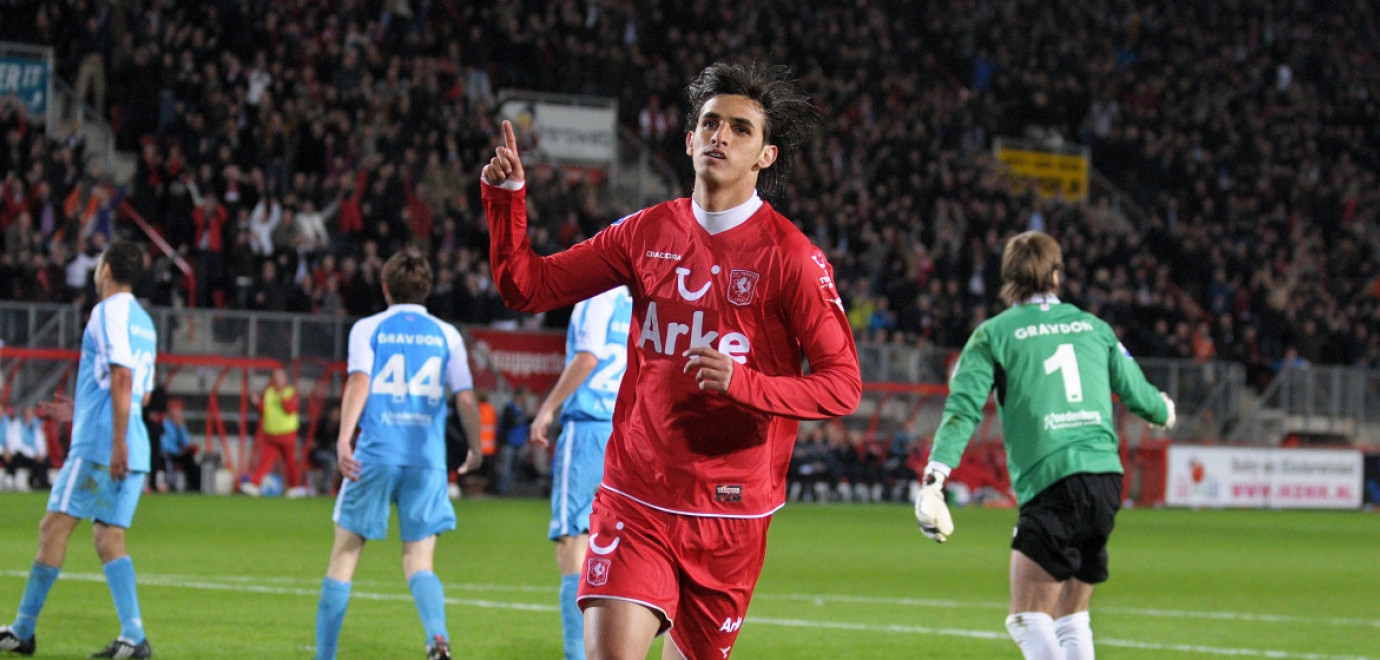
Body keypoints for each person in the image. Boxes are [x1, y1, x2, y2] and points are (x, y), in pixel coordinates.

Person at [482, 62, 860, 660]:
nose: (721, 136)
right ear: (689, 140)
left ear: (765, 156)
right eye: (710, 123)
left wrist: (746, 383)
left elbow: (842, 387)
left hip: (731, 513)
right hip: (636, 493)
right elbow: (528, 287)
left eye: (740, 129)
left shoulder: (792, 258)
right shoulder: (644, 233)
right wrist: (506, 203)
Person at [914, 231, 1176, 660]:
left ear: (1008, 279)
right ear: (1056, 276)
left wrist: (934, 479)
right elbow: (1142, 398)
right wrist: (1164, 411)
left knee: (1027, 617)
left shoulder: (993, 335)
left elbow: (963, 411)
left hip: (1053, 481)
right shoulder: (1094, 327)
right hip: (1106, 480)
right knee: (1073, 616)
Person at [314, 247, 483, 660]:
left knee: (345, 556)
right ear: (426, 289)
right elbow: (464, 397)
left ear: (385, 288)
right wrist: (477, 446)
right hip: (426, 460)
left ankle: (325, 656)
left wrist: (342, 438)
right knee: (419, 561)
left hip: (375, 453)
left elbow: (359, 383)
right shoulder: (447, 335)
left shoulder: (368, 328)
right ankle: (437, 637)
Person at [0, 240, 158, 658]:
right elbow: (138, 394)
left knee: (53, 528)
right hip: (131, 440)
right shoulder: (145, 321)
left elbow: (122, 378)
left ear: (105, 270)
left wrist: (113, 440)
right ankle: (134, 637)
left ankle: (22, 631)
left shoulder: (106, 312)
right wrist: (83, 409)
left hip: (103, 447)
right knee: (109, 538)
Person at [529, 285, 634, 660]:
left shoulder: (596, 298)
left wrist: (548, 408)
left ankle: (577, 653)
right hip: (629, 431)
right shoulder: (643, 299)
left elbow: (588, 357)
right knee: (621, 542)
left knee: (573, 538)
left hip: (590, 425)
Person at [241, 367, 301, 496]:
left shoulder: (290, 392)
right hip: (271, 433)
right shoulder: (269, 392)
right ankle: (254, 484)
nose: (278, 380)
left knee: (290, 462)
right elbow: (265, 410)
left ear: (285, 379)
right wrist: (257, 403)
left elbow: (290, 409)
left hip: (286, 434)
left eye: (281, 377)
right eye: (276, 377)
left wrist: (282, 396)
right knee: (265, 460)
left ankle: (294, 487)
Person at [4, 406, 51, 491]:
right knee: (17, 457)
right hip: (24, 453)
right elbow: (18, 444)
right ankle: (10, 479)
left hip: (33, 455)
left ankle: (42, 482)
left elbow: (40, 442)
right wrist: (34, 454)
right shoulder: (18, 424)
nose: (28, 416)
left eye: (30, 414)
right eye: (26, 414)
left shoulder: (36, 426)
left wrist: (41, 454)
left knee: (45, 460)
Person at [159, 399, 200, 493]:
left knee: (190, 459)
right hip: (168, 453)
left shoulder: (181, 426)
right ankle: (170, 485)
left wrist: (181, 427)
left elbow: (186, 442)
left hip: (179, 453)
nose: (178, 413)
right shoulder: (164, 424)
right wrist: (177, 450)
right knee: (167, 459)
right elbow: (164, 444)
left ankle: (194, 487)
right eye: (176, 410)